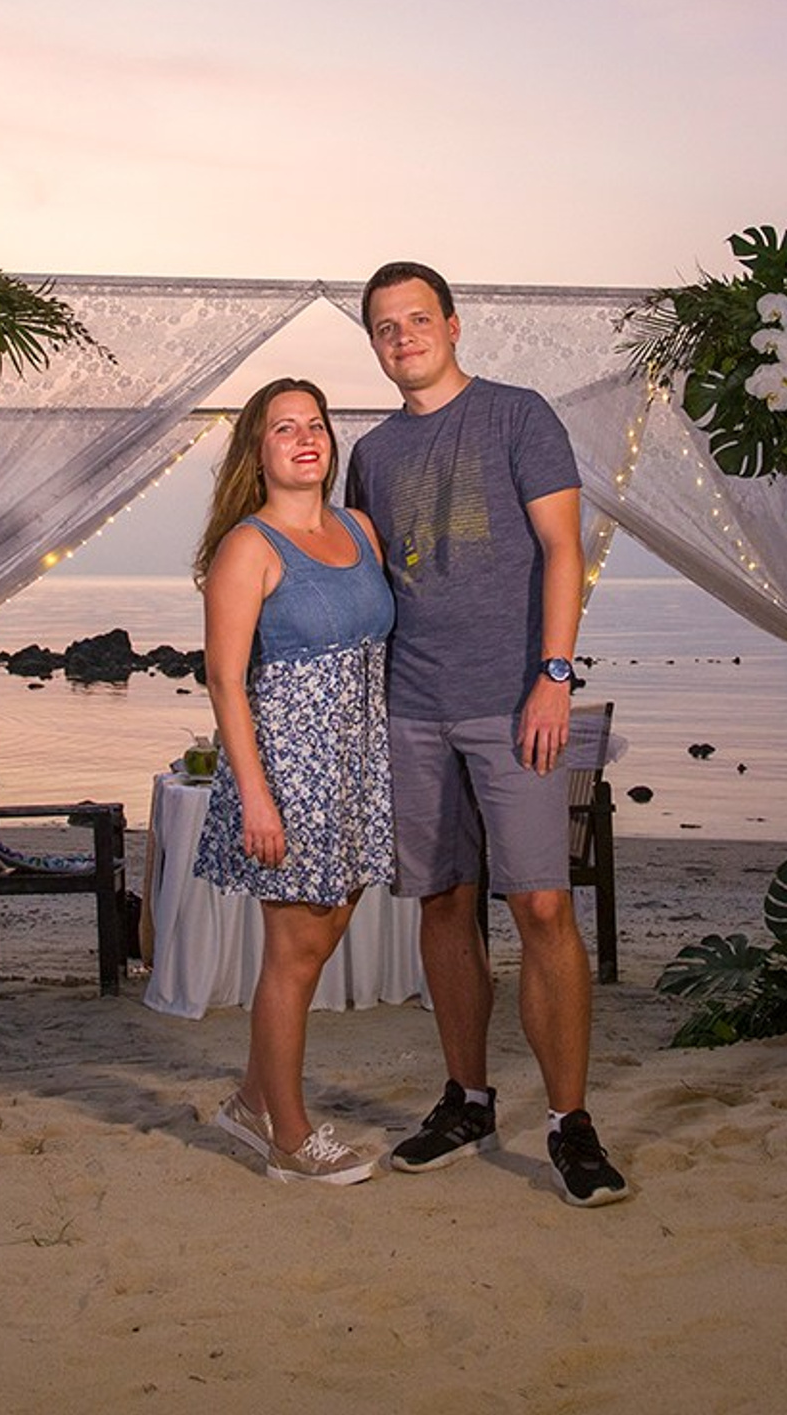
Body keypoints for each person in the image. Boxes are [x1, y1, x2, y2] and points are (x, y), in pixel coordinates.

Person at [345, 262, 630, 1208]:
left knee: (542, 906)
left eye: (417, 319)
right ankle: (467, 1098)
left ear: (454, 326)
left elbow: (564, 550)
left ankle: (569, 1124)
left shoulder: (518, 416)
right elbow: (370, 582)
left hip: (515, 703)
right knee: (441, 903)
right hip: (411, 709)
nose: (402, 338)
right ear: (375, 344)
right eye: (384, 327)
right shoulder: (373, 456)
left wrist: (554, 677)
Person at [191, 377, 394, 1186]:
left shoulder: (362, 529)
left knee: (321, 935)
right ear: (258, 450)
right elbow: (225, 680)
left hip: (354, 763)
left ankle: (249, 1102)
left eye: (316, 425)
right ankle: (290, 1136)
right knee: (295, 953)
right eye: (284, 428)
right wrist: (256, 792)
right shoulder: (249, 547)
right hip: (288, 766)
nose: (306, 438)